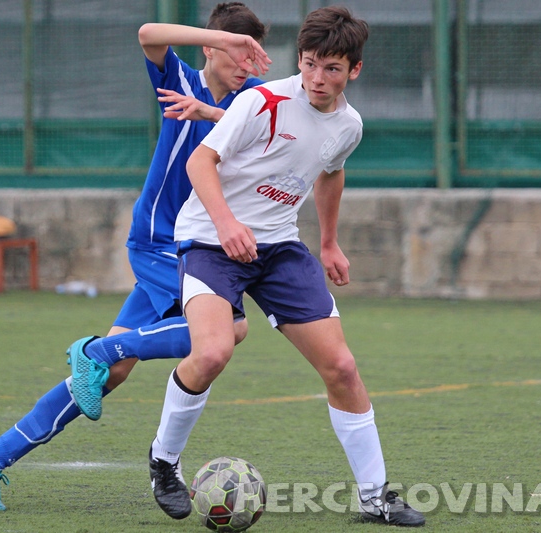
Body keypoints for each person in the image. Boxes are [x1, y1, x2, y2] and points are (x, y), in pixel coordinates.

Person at [0, 3, 270, 512]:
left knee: (113, 373)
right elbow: (148, 32)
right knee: (229, 329)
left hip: (200, 250)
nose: (244, 64)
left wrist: (225, 103)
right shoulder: (181, 81)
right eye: (235, 52)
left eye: (251, 55)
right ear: (211, 48)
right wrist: (216, 38)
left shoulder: (251, 101)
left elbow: (270, 133)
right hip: (157, 242)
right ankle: (95, 351)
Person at [142, 6, 425, 527]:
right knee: (212, 353)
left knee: (341, 367)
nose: (319, 78)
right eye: (311, 64)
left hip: (278, 249)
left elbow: (330, 175)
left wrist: (331, 243)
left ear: (354, 71)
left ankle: (374, 497)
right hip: (209, 241)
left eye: (332, 69)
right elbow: (198, 162)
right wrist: (226, 223)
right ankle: (163, 462)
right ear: (300, 59)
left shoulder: (349, 125)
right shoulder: (263, 99)